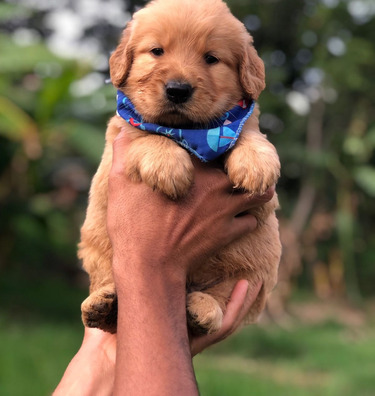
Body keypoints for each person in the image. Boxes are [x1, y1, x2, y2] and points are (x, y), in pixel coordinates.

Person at [54, 128, 274, 396]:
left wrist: (107, 355)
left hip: (219, 277)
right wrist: (153, 273)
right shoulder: (130, 126)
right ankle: (112, 295)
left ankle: (212, 298)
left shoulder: (237, 127)